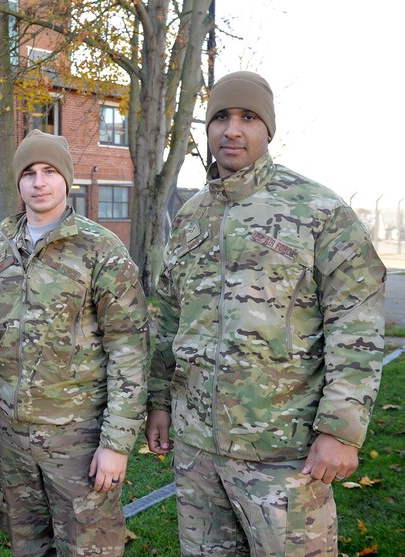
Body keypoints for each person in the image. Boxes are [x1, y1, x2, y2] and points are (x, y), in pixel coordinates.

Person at [145, 71, 386, 556]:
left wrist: (340, 428)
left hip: (283, 452)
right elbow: (170, 317)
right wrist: (159, 401)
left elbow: (356, 319)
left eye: (248, 118)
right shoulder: (192, 215)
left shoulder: (316, 209)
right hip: (197, 452)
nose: (232, 130)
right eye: (221, 118)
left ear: (267, 130)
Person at [0, 129, 149, 557]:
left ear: (67, 180)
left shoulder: (101, 250)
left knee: (89, 548)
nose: (39, 182)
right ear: (18, 181)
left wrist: (116, 444)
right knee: (26, 545)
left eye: (49, 171)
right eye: (29, 172)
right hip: (13, 440)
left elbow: (129, 353)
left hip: (79, 440)